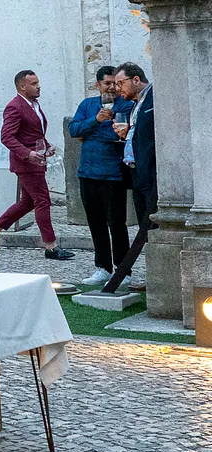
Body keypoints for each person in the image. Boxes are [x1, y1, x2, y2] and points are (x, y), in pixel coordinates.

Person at [0, 70, 75, 260]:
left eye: (38, 82)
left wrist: (47, 147)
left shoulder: (33, 104)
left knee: (27, 202)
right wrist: (27, 153)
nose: (38, 86)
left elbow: (35, 132)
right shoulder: (15, 107)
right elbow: (6, 136)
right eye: (33, 84)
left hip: (37, 159)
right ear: (22, 86)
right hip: (27, 163)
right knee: (43, 201)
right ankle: (51, 246)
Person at [68, 66, 134, 286]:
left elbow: (117, 135)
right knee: (95, 223)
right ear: (98, 85)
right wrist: (95, 121)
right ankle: (102, 267)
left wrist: (92, 133)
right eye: (107, 84)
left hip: (113, 174)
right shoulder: (87, 105)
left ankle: (124, 270)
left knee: (117, 223)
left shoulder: (125, 105)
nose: (112, 88)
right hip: (87, 172)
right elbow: (74, 130)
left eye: (115, 83)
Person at [114, 62, 156, 232]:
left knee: (154, 226)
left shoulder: (155, 97)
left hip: (151, 172)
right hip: (136, 172)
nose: (117, 89)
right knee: (144, 227)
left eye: (120, 83)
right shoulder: (135, 105)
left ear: (136, 80)